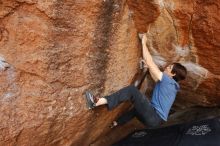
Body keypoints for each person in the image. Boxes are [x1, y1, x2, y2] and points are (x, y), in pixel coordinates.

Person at [85, 34, 187, 128]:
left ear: (173, 74)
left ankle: (97, 102)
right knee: (137, 109)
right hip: (154, 122)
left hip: (154, 116)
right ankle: (117, 123)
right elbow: (155, 76)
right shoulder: (171, 85)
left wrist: (143, 42)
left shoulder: (167, 81)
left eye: (169, 67)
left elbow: (151, 63)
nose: (166, 67)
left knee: (132, 91)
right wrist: (148, 68)